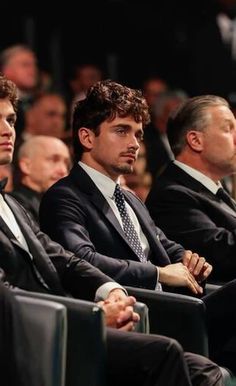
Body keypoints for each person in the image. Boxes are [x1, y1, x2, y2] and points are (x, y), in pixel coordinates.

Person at [0, 76, 222, 386]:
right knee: (172, 353)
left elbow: (159, 243)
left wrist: (186, 259)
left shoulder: (128, 196)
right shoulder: (65, 195)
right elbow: (80, 257)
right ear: (87, 138)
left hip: (147, 305)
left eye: (138, 134)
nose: (134, 143)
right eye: (122, 131)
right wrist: (156, 274)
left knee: (208, 370)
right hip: (112, 312)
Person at [145, 94, 236, 284]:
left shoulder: (213, 191)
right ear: (195, 140)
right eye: (229, 129)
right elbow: (223, 255)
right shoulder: (172, 195)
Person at [11, 135, 71, 222]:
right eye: (54, 160)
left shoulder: (63, 204)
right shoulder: (14, 205)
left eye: (66, 163)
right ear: (26, 166)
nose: (63, 170)